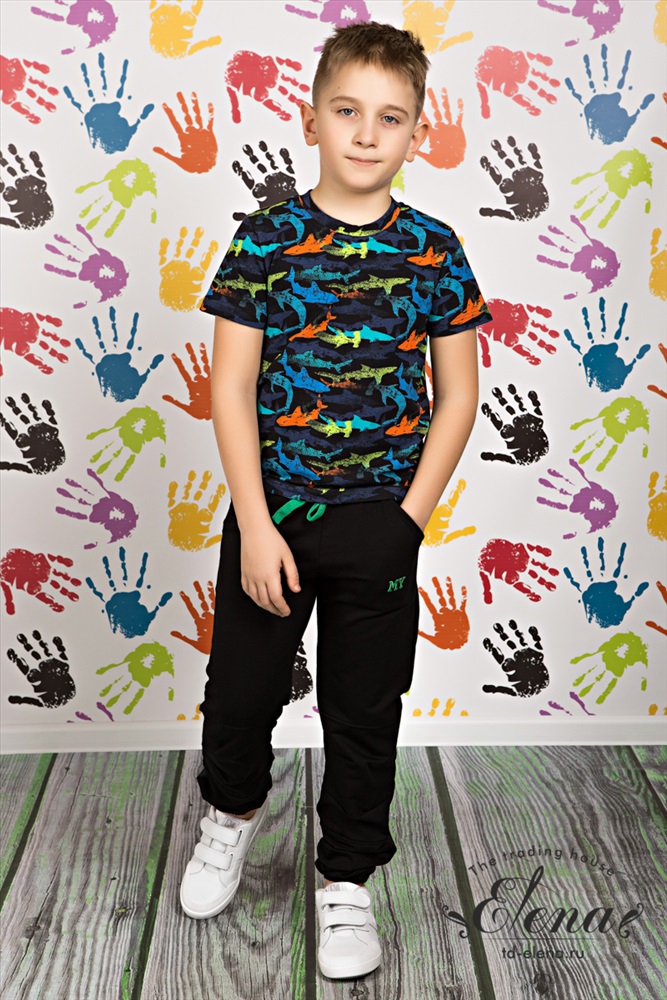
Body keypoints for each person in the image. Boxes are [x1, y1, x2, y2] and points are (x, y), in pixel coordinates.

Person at [179, 20, 493, 981]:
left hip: (379, 522)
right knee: (240, 693)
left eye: (389, 117)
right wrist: (254, 524)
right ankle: (231, 814)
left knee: (365, 709)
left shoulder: (433, 250)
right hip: (272, 512)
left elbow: (458, 394)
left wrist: (408, 522)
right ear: (311, 118)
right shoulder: (265, 240)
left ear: (418, 133)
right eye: (347, 111)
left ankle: (346, 875)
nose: (365, 133)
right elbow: (231, 387)